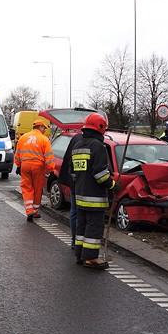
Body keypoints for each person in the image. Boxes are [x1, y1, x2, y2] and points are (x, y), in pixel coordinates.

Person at [71, 113, 120, 269]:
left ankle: (80, 254)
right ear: (100, 128)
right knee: (94, 227)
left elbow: (73, 172)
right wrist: (113, 185)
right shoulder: (97, 146)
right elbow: (100, 174)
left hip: (80, 195)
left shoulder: (77, 145)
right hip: (94, 197)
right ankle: (90, 258)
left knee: (81, 227)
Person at [14, 119, 56, 222]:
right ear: (40, 127)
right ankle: (35, 211)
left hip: (25, 165)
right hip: (38, 166)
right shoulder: (44, 139)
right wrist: (51, 169)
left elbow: (17, 154)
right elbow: (49, 157)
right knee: (37, 188)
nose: (44, 131)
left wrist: (18, 166)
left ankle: (29, 211)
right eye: (44, 128)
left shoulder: (23, 138)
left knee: (26, 187)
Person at [58, 131, 82, 248]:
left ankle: (74, 240)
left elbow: (68, 159)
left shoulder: (76, 138)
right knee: (83, 214)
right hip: (86, 185)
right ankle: (80, 242)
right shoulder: (95, 143)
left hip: (74, 181)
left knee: (74, 211)